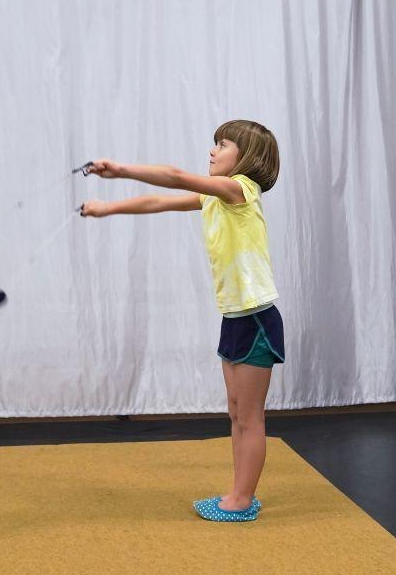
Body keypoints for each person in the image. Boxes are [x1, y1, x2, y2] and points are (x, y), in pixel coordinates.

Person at [80, 120, 284, 522]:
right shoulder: (214, 197)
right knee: (236, 413)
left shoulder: (240, 189)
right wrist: (107, 209)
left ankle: (242, 501)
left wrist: (120, 169)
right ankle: (239, 491)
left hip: (257, 319)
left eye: (222, 144)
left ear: (246, 156)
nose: (212, 150)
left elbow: (174, 177)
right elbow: (159, 202)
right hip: (234, 317)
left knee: (249, 417)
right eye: (215, 144)